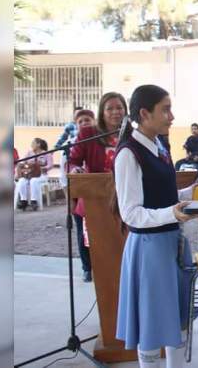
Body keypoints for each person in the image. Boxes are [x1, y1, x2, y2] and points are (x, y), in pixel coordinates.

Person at [114, 84, 198, 368]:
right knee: (151, 324)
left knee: (177, 318)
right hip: (149, 249)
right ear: (144, 113)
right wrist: (172, 214)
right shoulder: (129, 154)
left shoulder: (159, 145)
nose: (171, 116)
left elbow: (163, 196)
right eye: (165, 109)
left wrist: (189, 197)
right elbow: (132, 214)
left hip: (172, 243)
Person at [68, 92, 127, 282]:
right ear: (102, 112)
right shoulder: (88, 133)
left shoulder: (131, 135)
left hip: (123, 196)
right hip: (95, 197)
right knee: (90, 239)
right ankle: (89, 267)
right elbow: (74, 160)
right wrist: (76, 169)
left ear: (125, 110)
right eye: (110, 108)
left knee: (120, 239)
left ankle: (122, 269)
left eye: (119, 107)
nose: (115, 112)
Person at [66, 109, 96, 280]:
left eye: (88, 120)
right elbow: (68, 169)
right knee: (83, 235)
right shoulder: (71, 144)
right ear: (75, 125)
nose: (85, 124)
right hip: (82, 199)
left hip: (100, 195)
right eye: (81, 121)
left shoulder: (100, 141)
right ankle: (87, 267)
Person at [15, 138, 53, 211]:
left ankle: (33, 201)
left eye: (33, 143)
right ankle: (24, 201)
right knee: (22, 180)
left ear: (38, 144)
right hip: (29, 174)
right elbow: (23, 162)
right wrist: (23, 167)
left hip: (41, 175)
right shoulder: (29, 153)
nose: (31, 145)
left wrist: (43, 168)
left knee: (34, 181)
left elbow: (50, 165)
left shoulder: (46, 154)